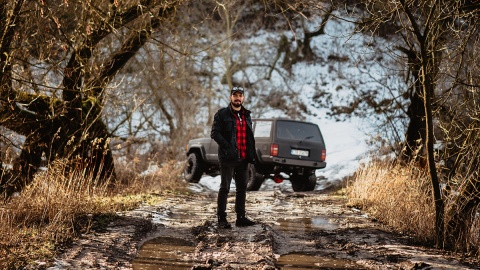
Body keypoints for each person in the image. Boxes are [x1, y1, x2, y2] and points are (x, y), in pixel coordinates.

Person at [211, 86, 256, 229]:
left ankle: (241, 217)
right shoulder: (222, 114)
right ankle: (221, 219)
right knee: (225, 188)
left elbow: (249, 137)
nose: (238, 98)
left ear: (243, 98)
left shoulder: (246, 115)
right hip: (228, 159)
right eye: (235, 95)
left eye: (240, 95)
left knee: (242, 188)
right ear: (230, 97)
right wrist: (227, 147)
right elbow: (215, 133)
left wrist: (251, 154)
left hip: (243, 158)